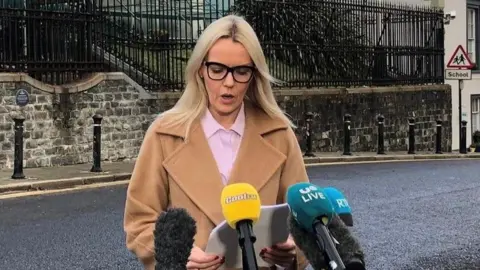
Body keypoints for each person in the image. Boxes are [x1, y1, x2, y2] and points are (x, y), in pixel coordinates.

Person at [123, 14, 310, 270]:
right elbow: (139, 221)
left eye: (241, 71)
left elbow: (305, 216)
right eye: (218, 70)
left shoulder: (280, 135)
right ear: (201, 69)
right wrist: (176, 253)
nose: (229, 82)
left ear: (254, 75)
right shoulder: (163, 134)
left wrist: (294, 250)